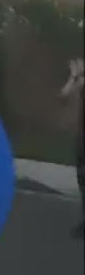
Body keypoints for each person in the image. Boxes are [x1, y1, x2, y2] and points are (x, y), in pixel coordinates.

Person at [61, 57, 85, 239]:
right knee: (82, 181)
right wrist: (74, 76)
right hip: (81, 139)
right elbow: (65, 94)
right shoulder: (80, 81)